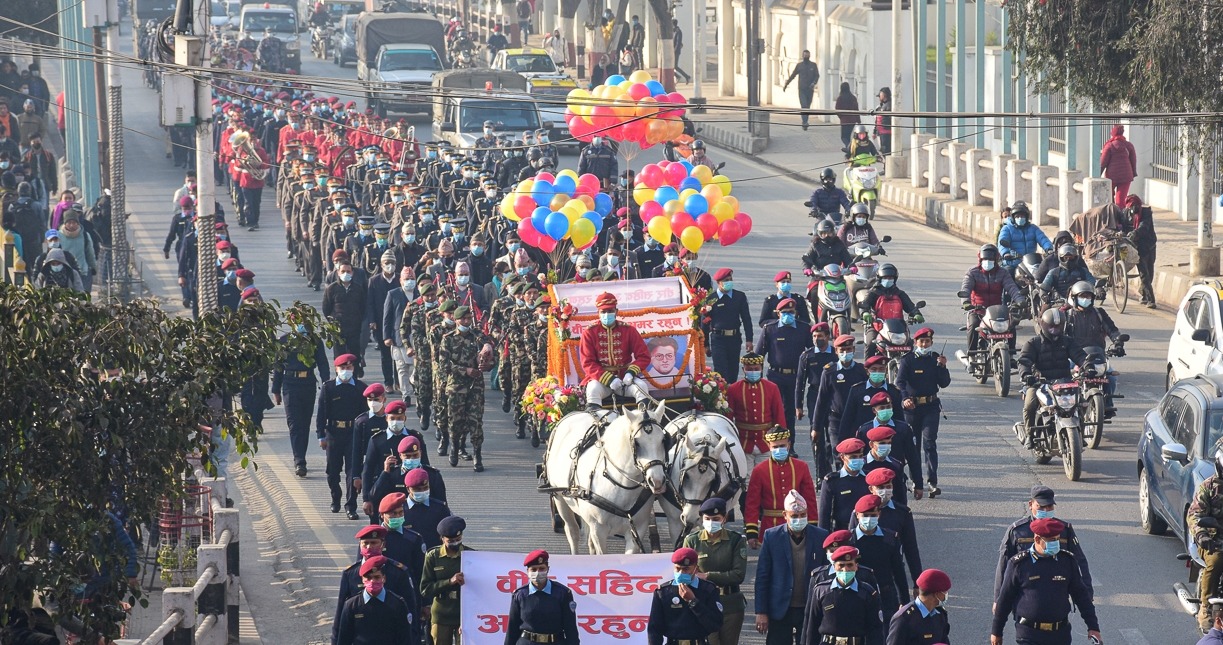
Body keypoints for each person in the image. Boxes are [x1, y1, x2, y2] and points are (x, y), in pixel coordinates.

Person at [991, 518, 1101, 645]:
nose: (1056, 544)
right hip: (1028, 634)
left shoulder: (1067, 562)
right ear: (1037, 539)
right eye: (1052, 540)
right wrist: (996, 632)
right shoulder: (1019, 564)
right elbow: (1005, 599)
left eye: (1057, 539)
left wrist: (1093, 627)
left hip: (1060, 634)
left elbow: (1081, 596)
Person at [994, 485, 1093, 609]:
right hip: (1025, 593)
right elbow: (1004, 564)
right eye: (1041, 507)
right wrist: (998, 598)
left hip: (1057, 590)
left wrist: (1087, 593)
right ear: (1030, 504)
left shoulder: (1063, 529)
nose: (1046, 511)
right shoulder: (1017, 531)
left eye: (1050, 506)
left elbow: (1079, 560)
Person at [753, 490, 828, 645]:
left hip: (810, 608)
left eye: (802, 515)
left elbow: (826, 575)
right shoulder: (772, 537)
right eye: (794, 516)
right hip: (780, 609)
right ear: (785, 515)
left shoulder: (820, 536)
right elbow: (762, 577)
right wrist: (761, 611)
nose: (798, 519)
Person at [682, 498, 748, 645]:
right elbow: (685, 572)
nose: (711, 522)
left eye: (716, 519)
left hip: (730, 604)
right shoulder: (692, 541)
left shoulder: (736, 540)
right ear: (702, 519)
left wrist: (707, 576)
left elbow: (738, 575)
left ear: (724, 518)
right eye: (707, 519)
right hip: (704, 604)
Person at [894, 328, 950, 497]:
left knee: (930, 443)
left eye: (927, 342)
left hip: (931, 407)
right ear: (915, 343)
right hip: (912, 409)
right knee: (913, 446)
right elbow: (900, 382)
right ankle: (915, 481)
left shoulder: (935, 359)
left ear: (932, 343)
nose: (924, 345)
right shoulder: (908, 360)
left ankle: (932, 482)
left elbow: (944, 383)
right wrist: (905, 399)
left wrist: (942, 367)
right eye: (921, 342)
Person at [1018, 309, 1087, 439]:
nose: (1054, 329)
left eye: (1058, 326)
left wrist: (1087, 366)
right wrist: (1026, 375)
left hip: (1064, 382)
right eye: (1051, 326)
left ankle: (1080, 433)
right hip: (1040, 383)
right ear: (1043, 324)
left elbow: (1080, 356)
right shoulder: (1033, 343)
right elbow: (1024, 361)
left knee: (1081, 403)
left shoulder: (1068, 341)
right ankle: (1030, 435)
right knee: (1029, 405)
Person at [273, 322, 330, 477]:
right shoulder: (284, 341)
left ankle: (301, 456)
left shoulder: (315, 341)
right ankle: (300, 461)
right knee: (295, 423)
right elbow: (278, 367)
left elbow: (323, 364)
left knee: (304, 424)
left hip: (308, 384)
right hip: (290, 385)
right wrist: (275, 390)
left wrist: (327, 386)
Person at [744, 428, 817, 547]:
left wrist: (813, 526)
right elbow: (752, 502)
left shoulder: (801, 467)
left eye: (782, 445)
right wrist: (752, 531)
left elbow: (810, 499)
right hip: (769, 526)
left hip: (796, 525)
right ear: (769, 446)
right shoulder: (759, 470)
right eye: (775, 447)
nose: (779, 449)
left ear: (789, 444)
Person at [579, 292, 651, 411]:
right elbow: (588, 363)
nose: (607, 314)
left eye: (610, 311)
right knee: (592, 390)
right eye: (603, 312)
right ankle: (597, 425)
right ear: (598, 313)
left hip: (625, 378)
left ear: (616, 311)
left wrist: (630, 373)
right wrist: (609, 379)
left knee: (642, 387)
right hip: (600, 380)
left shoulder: (629, 330)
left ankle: (644, 422)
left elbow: (644, 356)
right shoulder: (589, 332)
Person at [317, 354, 368, 518]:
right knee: (332, 470)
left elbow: (364, 415)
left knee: (353, 471)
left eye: (349, 368)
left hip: (353, 433)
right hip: (333, 433)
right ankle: (335, 498)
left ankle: (351, 506)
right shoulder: (328, 388)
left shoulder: (360, 388)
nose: (346, 371)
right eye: (343, 368)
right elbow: (321, 414)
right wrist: (321, 436)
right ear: (336, 369)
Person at [803, 545, 884, 645]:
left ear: (856, 567)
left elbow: (875, 630)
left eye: (849, 565)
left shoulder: (867, 593)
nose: (845, 570)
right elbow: (812, 627)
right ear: (834, 567)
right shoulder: (821, 591)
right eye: (841, 565)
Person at [647, 547, 725, 645]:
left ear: (695, 568)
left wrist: (693, 601)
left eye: (686, 569)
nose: (681, 573)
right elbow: (655, 629)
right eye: (678, 568)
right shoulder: (663, 592)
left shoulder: (708, 590)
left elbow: (715, 624)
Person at [847, 494, 908, 617]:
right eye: (865, 515)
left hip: (886, 596)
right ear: (857, 515)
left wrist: (904, 601)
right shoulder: (849, 540)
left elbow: (898, 572)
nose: (869, 519)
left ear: (879, 514)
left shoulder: (890, 538)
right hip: (857, 596)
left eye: (873, 515)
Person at [757, 299, 812, 433]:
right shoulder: (770, 329)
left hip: (795, 377)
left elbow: (812, 353)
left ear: (796, 313)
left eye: (791, 312)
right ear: (778, 313)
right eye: (785, 312)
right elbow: (759, 354)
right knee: (775, 409)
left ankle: (790, 444)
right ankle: (774, 442)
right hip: (775, 375)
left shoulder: (804, 328)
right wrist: (757, 378)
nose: (788, 315)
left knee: (790, 412)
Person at [504, 550, 581, 645]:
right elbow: (512, 628)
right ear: (527, 571)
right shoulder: (520, 594)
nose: (538, 572)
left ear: (547, 569)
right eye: (534, 569)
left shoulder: (562, 593)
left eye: (541, 568)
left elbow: (570, 628)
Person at [335, 555, 414, 645]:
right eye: (368, 578)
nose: (372, 581)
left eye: (377, 577)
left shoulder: (397, 604)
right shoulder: (351, 605)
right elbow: (344, 639)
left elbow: (405, 639)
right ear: (362, 580)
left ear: (384, 578)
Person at [961, 243, 1024, 351]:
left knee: (1011, 326)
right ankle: (972, 355)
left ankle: (1011, 353)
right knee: (973, 326)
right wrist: (966, 302)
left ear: (996, 259)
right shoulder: (972, 272)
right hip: (978, 310)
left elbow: (1012, 287)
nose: (988, 261)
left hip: (997, 311)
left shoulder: (1003, 273)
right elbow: (966, 288)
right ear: (980, 259)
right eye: (985, 259)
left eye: (991, 259)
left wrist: (1020, 300)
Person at [421, 516, 471, 645]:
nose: (455, 543)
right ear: (442, 539)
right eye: (451, 540)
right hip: (442, 613)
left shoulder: (471, 555)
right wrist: (449, 582)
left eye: (458, 539)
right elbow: (425, 589)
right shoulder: (433, 556)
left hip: (464, 613)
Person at [727, 354, 788, 457]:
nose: (753, 371)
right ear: (743, 369)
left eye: (756, 369)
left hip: (766, 443)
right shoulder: (733, 389)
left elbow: (779, 415)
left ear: (761, 369)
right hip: (743, 444)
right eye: (749, 369)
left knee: (765, 473)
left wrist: (780, 441)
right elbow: (728, 417)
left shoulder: (772, 387)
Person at [860, 264, 923, 357]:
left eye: (890, 278)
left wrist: (916, 314)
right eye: (885, 278)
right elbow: (864, 305)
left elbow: (910, 307)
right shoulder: (873, 293)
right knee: (871, 343)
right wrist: (865, 313)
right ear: (879, 278)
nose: (888, 280)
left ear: (895, 279)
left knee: (909, 344)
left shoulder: (900, 294)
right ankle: (868, 370)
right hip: (877, 326)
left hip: (898, 329)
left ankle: (908, 369)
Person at [707, 268, 754, 382]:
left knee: (733, 372)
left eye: (730, 279)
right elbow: (705, 321)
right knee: (721, 372)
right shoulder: (711, 299)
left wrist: (749, 339)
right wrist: (705, 344)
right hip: (718, 339)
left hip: (734, 338)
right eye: (725, 280)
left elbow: (746, 319)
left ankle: (731, 398)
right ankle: (722, 398)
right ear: (718, 283)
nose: (729, 282)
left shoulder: (739, 297)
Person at [323, 261, 370, 376]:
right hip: (338, 330)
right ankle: (340, 377)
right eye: (343, 271)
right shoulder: (331, 289)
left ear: (352, 273)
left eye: (348, 271)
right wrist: (333, 322)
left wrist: (358, 321)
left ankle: (353, 378)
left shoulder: (358, 289)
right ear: (338, 273)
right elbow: (326, 309)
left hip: (354, 329)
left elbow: (363, 308)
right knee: (339, 356)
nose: (345, 273)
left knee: (354, 355)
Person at [886, 568, 951, 645]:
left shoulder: (940, 616)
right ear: (936, 594)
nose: (946, 594)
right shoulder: (904, 619)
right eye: (945, 592)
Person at [818, 438, 871, 531]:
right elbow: (824, 514)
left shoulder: (869, 478)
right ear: (842, 457)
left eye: (860, 456)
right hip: (842, 530)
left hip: (867, 529)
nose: (858, 460)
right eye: (853, 457)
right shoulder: (832, 481)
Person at [402, 468, 452, 548]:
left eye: (425, 488)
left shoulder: (440, 508)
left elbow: (448, 532)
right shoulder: (400, 510)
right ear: (408, 489)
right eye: (417, 489)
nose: (422, 491)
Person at [1123, 194, 1158, 308]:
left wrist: (1135, 233)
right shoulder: (1126, 214)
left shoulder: (1146, 213)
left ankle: (1143, 292)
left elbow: (1144, 226)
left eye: (1135, 207)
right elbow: (1123, 227)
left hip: (1149, 245)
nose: (1133, 210)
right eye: (1131, 207)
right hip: (1137, 248)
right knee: (1144, 274)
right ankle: (1150, 299)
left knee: (1150, 271)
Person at [1099, 124, 1137, 207]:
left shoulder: (1109, 146)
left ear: (1113, 133)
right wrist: (1133, 173)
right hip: (1126, 176)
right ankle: (1121, 217)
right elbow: (1133, 161)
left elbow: (1103, 163)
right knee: (1120, 200)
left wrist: (1097, 175)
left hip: (1111, 177)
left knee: (1109, 197)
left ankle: (1112, 215)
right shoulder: (1129, 145)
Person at [781, 51, 820, 130]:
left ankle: (805, 120)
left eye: (807, 55)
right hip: (802, 89)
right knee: (804, 106)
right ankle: (804, 122)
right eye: (804, 55)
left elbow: (817, 76)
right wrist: (786, 84)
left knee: (807, 107)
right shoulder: (799, 66)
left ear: (809, 56)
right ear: (802, 56)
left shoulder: (813, 65)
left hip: (810, 89)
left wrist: (814, 83)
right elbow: (793, 75)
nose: (806, 56)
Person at [834, 83, 860, 155]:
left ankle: (850, 148)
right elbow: (856, 110)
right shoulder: (853, 98)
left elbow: (837, 109)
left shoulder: (840, 98)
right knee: (848, 136)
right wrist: (858, 121)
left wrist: (841, 117)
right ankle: (849, 149)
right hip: (853, 120)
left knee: (844, 137)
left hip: (845, 120)